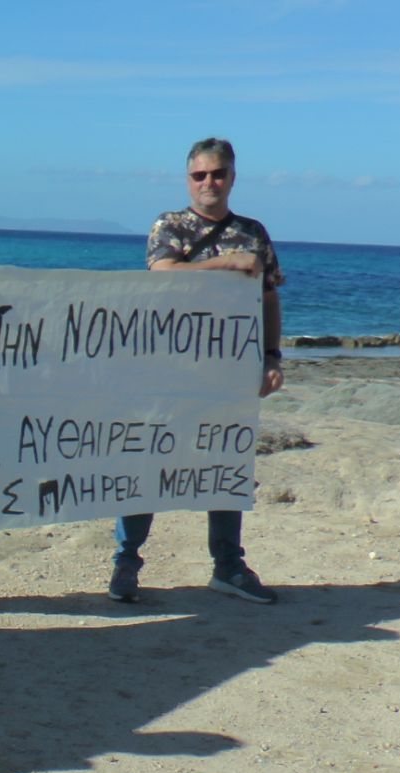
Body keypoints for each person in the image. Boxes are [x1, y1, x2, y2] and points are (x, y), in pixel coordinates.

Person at [109, 137, 284, 606]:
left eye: (218, 173)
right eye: (199, 175)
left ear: (232, 177)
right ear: (187, 179)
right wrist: (229, 263)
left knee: (226, 463)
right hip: (163, 374)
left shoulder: (253, 232)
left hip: (227, 376)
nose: (209, 182)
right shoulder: (170, 225)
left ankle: (228, 567)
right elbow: (162, 272)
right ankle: (126, 563)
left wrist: (272, 357)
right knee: (146, 461)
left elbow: (269, 298)